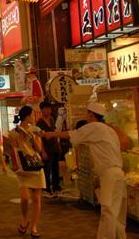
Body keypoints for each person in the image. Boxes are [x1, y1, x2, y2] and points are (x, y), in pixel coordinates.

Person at [43, 102, 127, 239]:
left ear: (91, 115)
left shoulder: (94, 126)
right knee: (117, 212)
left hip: (109, 174)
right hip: (118, 173)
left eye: (87, 113)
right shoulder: (109, 129)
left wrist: (51, 134)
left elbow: (71, 134)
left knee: (108, 211)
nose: (86, 115)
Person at [8, 105, 46, 238]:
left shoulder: (36, 130)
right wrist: (19, 140)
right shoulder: (14, 131)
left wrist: (32, 136)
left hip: (36, 166)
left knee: (36, 198)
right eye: (32, 114)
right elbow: (13, 150)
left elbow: (39, 149)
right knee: (24, 198)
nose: (34, 117)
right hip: (23, 167)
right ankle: (24, 219)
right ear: (27, 116)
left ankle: (34, 227)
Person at [36, 101, 61, 196]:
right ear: (41, 110)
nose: (48, 111)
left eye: (49, 109)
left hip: (54, 148)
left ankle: (56, 187)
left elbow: (54, 133)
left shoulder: (51, 119)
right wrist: (43, 151)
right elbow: (39, 138)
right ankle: (46, 188)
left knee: (55, 168)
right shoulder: (39, 123)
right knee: (47, 169)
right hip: (47, 149)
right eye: (46, 109)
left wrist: (58, 145)